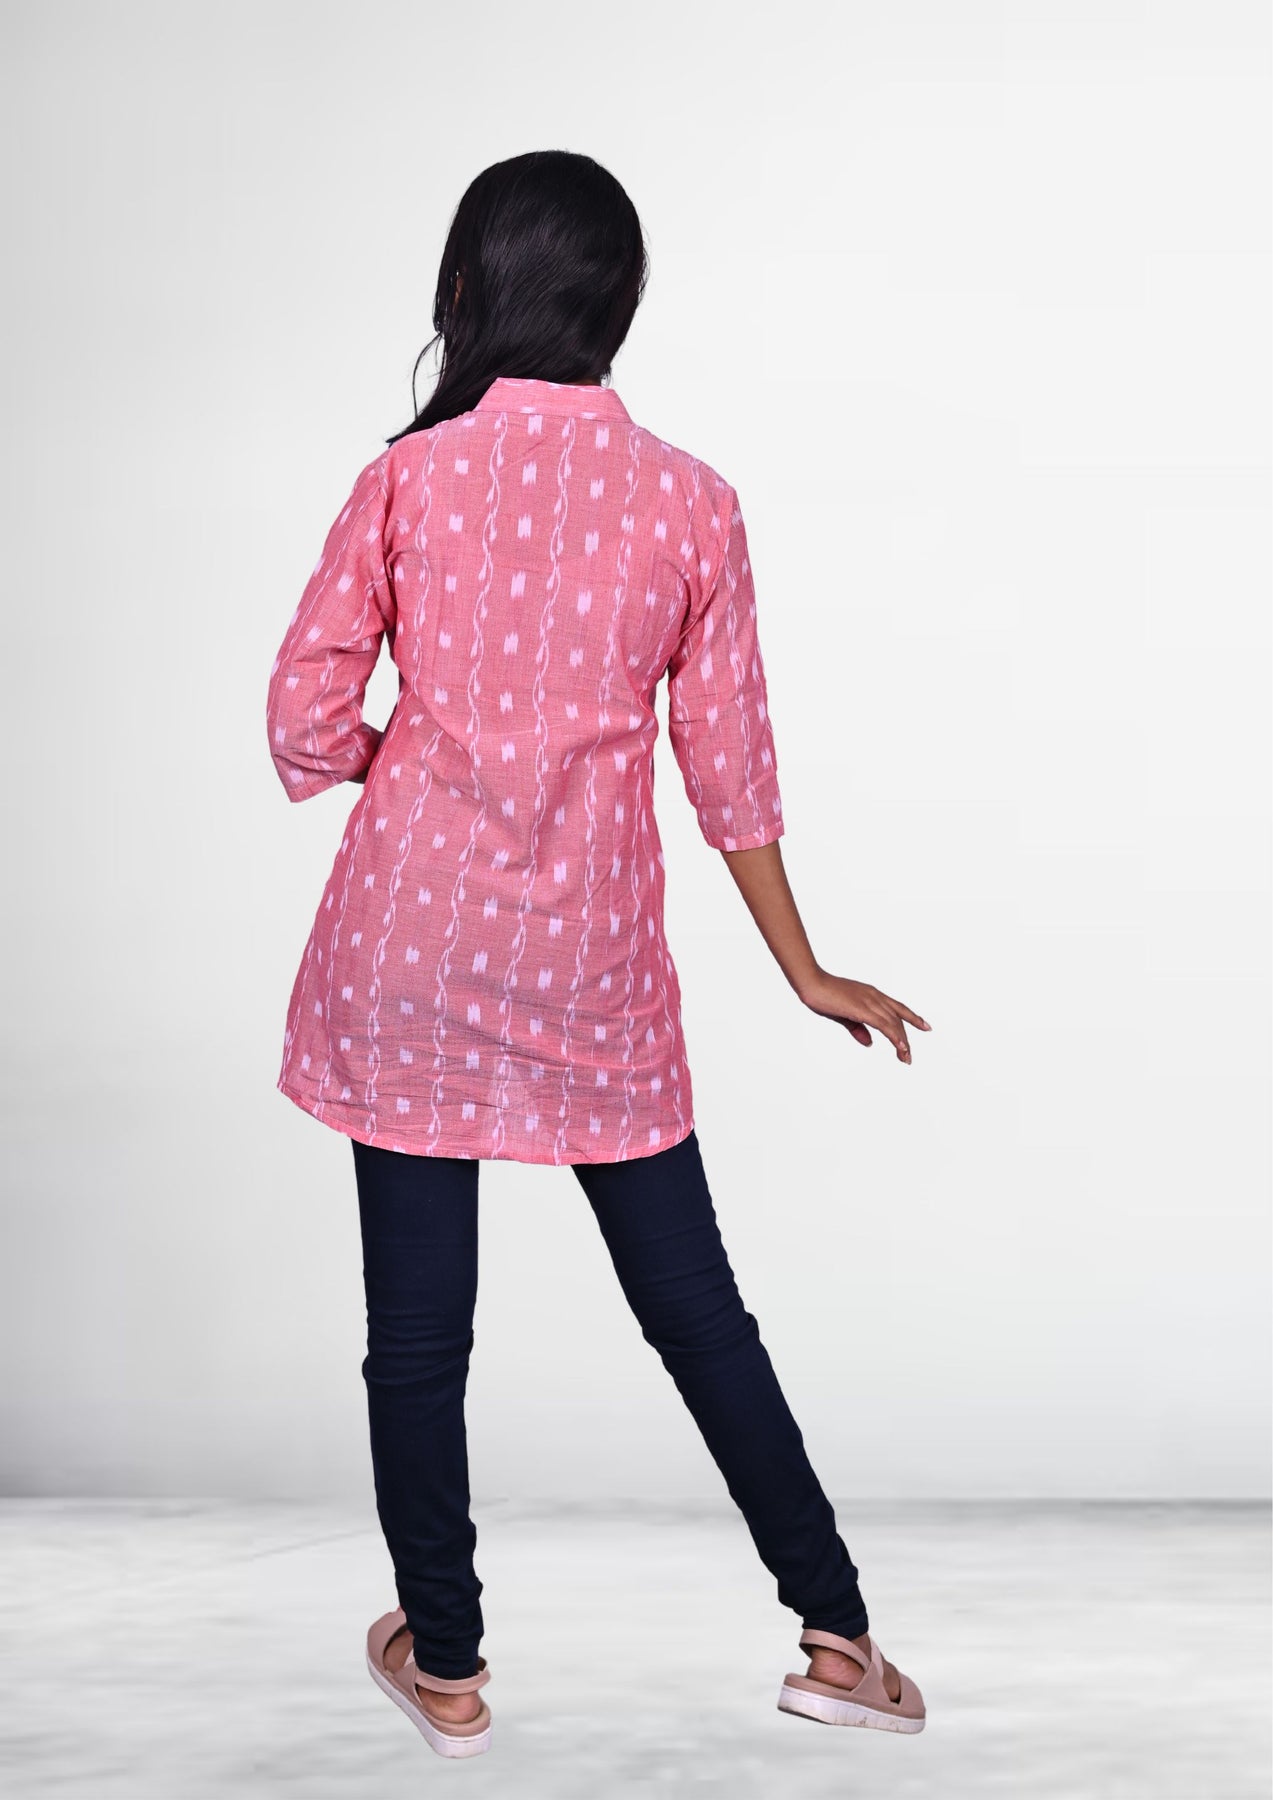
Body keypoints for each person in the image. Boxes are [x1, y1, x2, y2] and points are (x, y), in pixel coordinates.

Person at [266, 149, 932, 1757]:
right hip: (593, 972)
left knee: (416, 1339)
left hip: (408, 954)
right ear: (620, 305)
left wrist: (408, 774)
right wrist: (803, 966)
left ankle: (446, 1665)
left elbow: (302, 716)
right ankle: (836, 1639)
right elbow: (730, 766)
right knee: (698, 1315)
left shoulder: (407, 481)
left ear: (463, 292)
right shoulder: (690, 500)